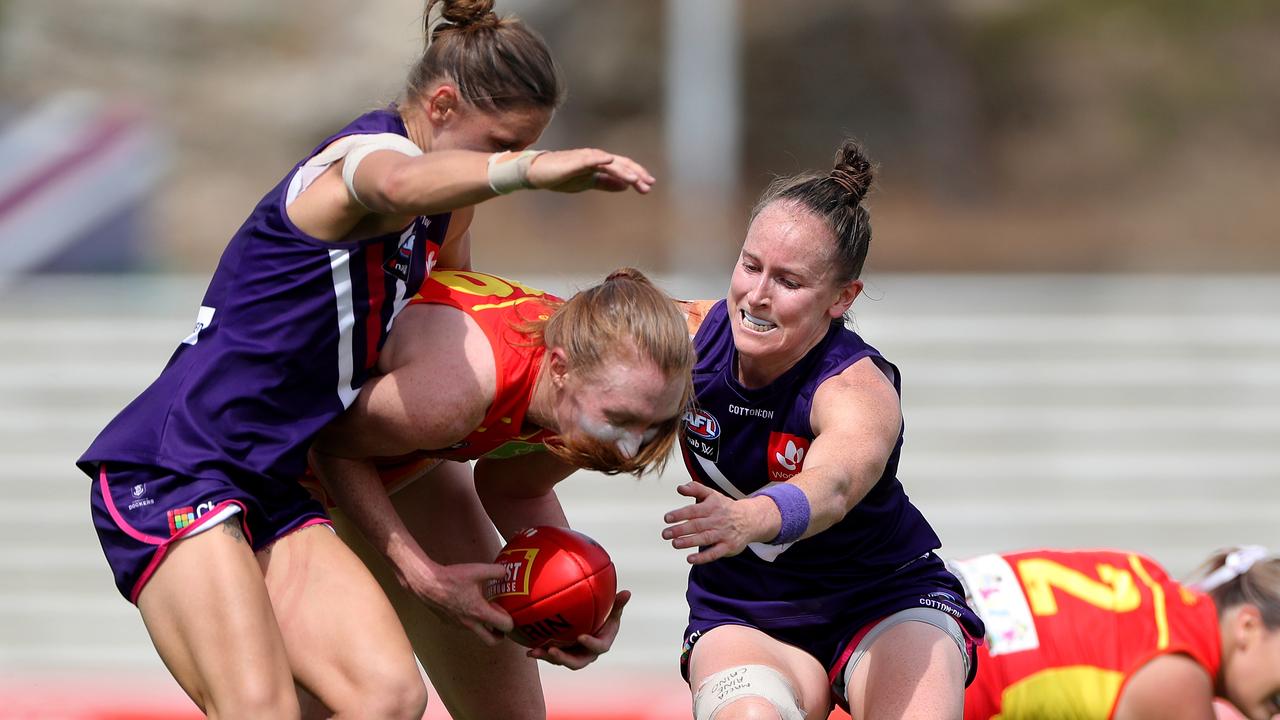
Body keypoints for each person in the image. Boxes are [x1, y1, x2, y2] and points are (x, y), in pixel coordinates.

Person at [76, 0, 656, 715]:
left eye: (519, 148)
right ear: (441, 105)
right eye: (498, 145)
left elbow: (444, 312)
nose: (499, 165)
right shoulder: (360, 165)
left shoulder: (451, 207)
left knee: (385, 698)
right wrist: (530, 172)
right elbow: (392, 186)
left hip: (278, 483)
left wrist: (566, 584)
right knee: (262, 710)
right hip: (176, 469)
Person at [661, 139, 985, 720]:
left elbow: (832, 487)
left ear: (842, 297)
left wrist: (747, 518)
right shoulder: (680, 338)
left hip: (885, 600)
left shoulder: (858, 389)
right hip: (745, 607)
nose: (756, 296)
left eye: (788, 281)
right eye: (749, 265)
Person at [305, 267, 694, 720]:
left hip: (391, 451)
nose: (631, 446)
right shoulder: (457, 394)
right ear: (559, 368)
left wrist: (576, 593)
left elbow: (513, 487)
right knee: (359, 699)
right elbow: (330, 446)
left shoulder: (605, 380)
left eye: (654, 427)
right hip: (289, 456)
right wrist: (420, 574)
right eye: (621, 420)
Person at [952, 546, 1280, 720]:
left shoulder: (1145, 574)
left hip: (922, 610)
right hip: (936, 685)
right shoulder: (1179, 678)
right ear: (1247, 626)